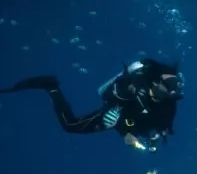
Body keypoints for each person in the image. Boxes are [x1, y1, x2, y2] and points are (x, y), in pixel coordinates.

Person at [0, 58, 184, 152]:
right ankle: (51, 87)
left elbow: (164, 124)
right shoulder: (134, 87)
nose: (174, 89)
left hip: (136, 126)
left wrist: (156, 137)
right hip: (115, 115)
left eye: (177, 84)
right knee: (70, 125)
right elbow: (118, 108)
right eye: (170, 83)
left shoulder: (170, 104)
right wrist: (126, 133)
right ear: (155, 82)